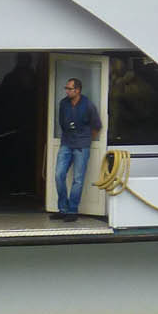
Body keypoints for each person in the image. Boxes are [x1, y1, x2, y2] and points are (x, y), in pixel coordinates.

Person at [51, 76, 101, 221]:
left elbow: (96, 125)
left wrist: (86, 140)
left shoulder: (88, 105)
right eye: (66, 88)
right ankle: (63, 208)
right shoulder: (63, 103)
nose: (66, 91)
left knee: (78, 179)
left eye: (69, 88)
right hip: (66, 143)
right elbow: (62, 123)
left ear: (77, 90)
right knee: (59, 175)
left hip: (81, 145)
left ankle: (72, 211)